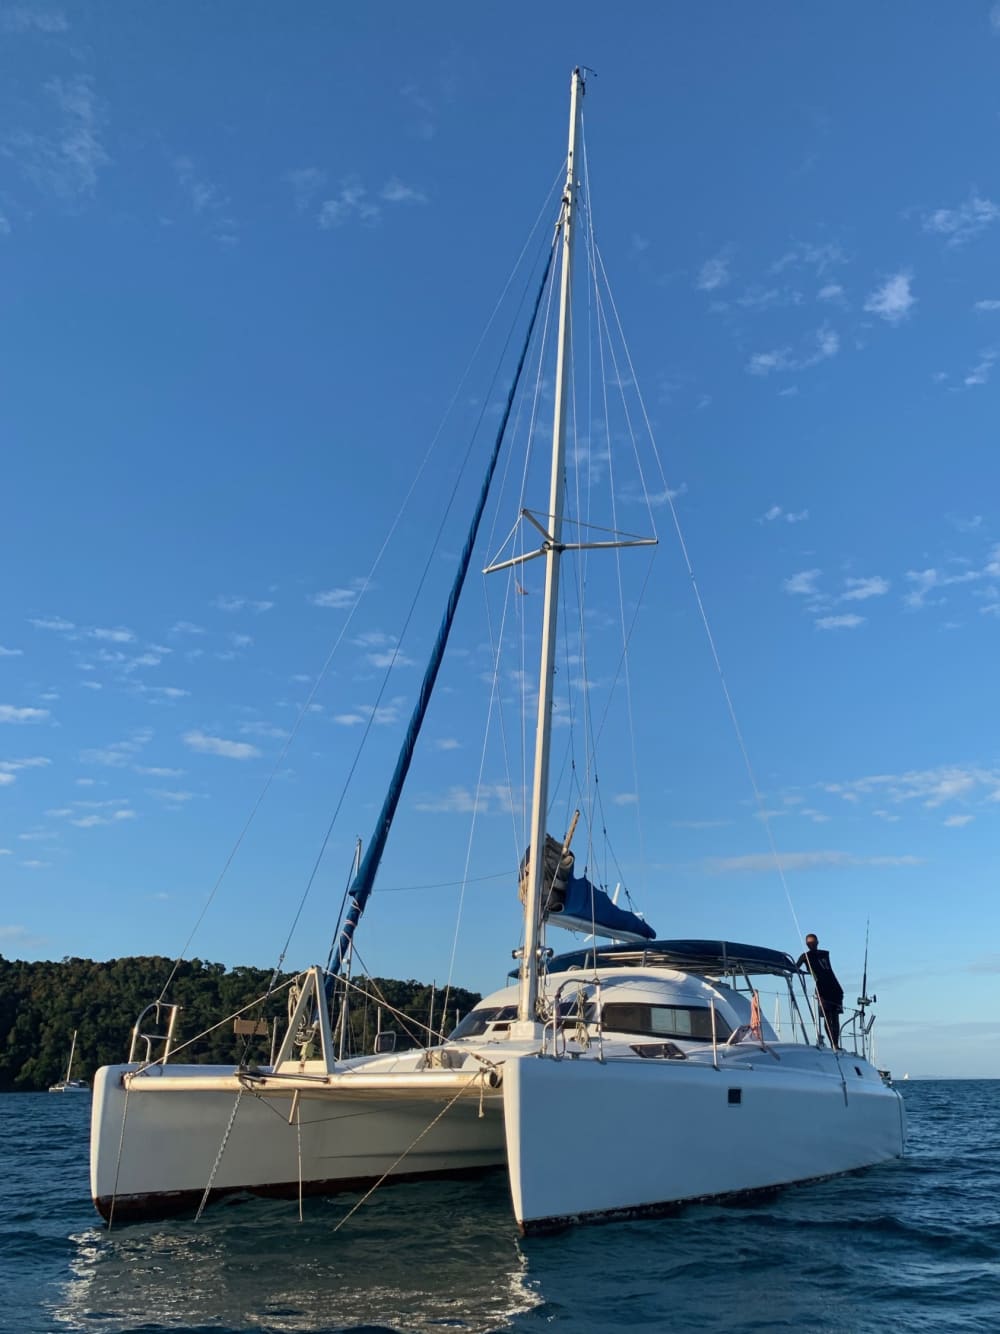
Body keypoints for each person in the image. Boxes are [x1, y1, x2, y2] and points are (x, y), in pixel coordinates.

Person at [795, 933, 844, 1048]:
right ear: (807, 944)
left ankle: (835, 1044)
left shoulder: (824, 954)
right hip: (822, 989)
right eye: (809, 943)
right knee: (827, 1018)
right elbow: (795, 967)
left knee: (835, 1018)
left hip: (835, 988)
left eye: (813, 942)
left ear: (817, 942)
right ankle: (834, 1044)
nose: (812, 945)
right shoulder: (805, 956)